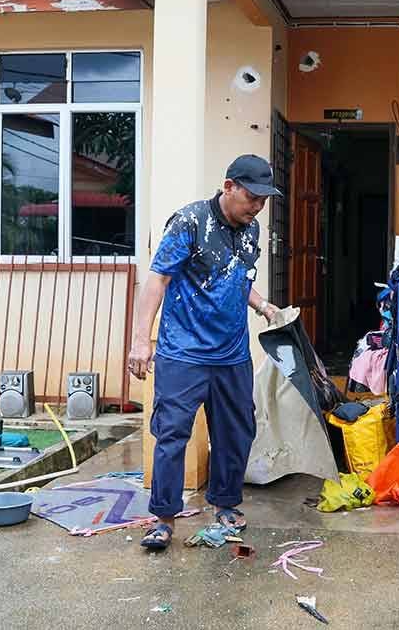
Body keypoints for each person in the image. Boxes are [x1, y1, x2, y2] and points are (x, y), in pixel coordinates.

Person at [128, 154, 282, 551]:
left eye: (264, 200)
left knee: (236, 432)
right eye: (252, 197)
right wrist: (141, 341)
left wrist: (263, 305)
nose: (258, 207)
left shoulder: (252, 230)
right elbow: (158, 278)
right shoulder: (190, 222)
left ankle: (226, 505)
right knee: (171, 434)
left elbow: (236, 277)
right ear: (228, 186)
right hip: (183, 352)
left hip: (232, 354)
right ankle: (163, 518)